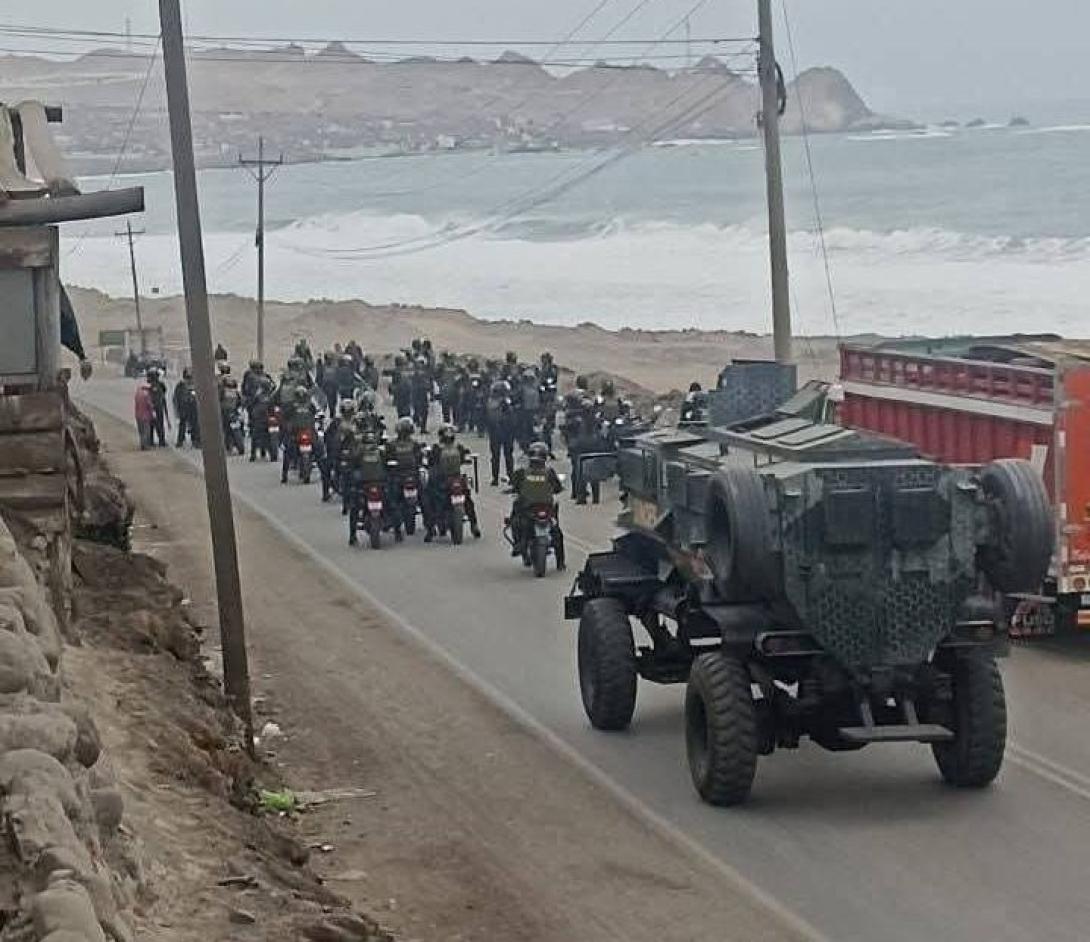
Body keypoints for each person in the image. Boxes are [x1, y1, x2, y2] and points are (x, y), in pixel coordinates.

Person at [508, 441, 565, 570]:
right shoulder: (549, 472)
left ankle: (518, 545)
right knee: (556, 531)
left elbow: (514, 486)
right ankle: (560, 562)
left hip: (528, 508)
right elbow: (557, 487)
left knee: (515, 520)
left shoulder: (522, 472)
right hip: (546, 508)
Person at [424, 424, 481, 542]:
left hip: (445, 481)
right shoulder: (455, 447)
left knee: (430, 501)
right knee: (468, 501)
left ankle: (430, 529)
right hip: (452, 479)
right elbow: (466, 455)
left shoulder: (438, 448)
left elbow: (430, 462)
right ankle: (474, 524)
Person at [345, 427, 388, 546]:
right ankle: (398, 531)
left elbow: (351, 464)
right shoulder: (381, 452)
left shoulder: (359, 451)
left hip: (366, 485)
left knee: (354, 508)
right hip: (375, 485)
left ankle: (352, 536)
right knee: (391, 502)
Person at [386, 417, 428, 536]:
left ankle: (429, 524)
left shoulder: (394, 445)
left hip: (405, 476)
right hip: (406, 476)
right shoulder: (412, 444)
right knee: (424, 499)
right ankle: (429, 525)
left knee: (425, 498)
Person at [281, 386, 315, 484]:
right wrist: (287, 425)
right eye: (299, 396)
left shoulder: (310, 405)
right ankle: (284, 473)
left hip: (308, 432)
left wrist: (318, 419)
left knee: (319, 448)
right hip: (295, 433)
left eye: (303, 396)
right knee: (288, 451)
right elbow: (285, 416)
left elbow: (316, 412)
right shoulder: (291, 405)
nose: (301, 398)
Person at [485, 379, 516, 487]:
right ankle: (510, 477)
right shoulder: (505, 402)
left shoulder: (490, 402)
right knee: (507, 456)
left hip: (495, 433)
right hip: (506, 432)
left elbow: (487, 418)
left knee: (495, 456)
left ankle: (495, 478)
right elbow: (511, 418)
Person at [173, 368, 200, 448]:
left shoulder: (195, 385)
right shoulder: (180, 386)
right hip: (183, 409)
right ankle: (180, 441)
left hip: (193, 409)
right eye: (188, 377)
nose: (189, 379)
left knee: (195, 425)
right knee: (182, 425)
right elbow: (176, 398)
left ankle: (196, 441)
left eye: (191, 377)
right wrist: (177, 410)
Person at [146, 367, 169, 447]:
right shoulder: (155, 386)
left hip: (154, 408)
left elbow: (163, 393)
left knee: (153, 425)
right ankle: (159, 441)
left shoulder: (153, 386)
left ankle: (154, 441)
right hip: (156, 408)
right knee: (157, 425)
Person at [411, 357, 432, 433]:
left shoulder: (426, 373)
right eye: (420, 363)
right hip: (417, 395)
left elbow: (430, 384)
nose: (421, 365)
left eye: (422, 363)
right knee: (417, 411)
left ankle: (423, 428)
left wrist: (430, 391)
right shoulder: (415, 373)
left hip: (423, 395)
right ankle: (417, 424)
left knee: (424, 412)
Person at [134, 379, 154, 450]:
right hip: (145, 416)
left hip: (138, 415)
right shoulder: (146, 395)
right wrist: (152, 413)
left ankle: (142, 444)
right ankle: (145, 446)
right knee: (146, 431)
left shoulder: (137, 394)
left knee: (141, 431)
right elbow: (149, 405)